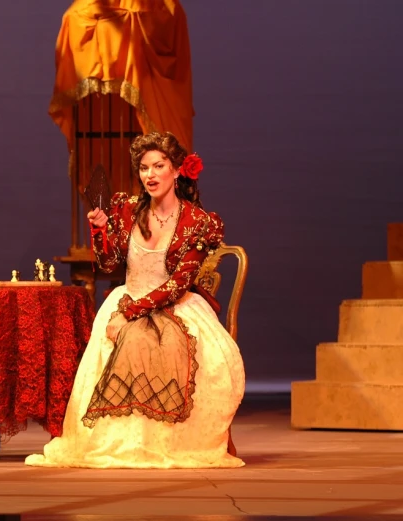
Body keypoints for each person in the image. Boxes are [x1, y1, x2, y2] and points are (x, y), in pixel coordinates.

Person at [25, 132, 245, 469]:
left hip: (176, 305)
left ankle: (162, 441)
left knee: (150, 340)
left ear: (176, 171)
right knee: (127, 338)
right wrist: (100, 230)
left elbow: (177, 284)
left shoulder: (197, 222)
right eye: (144, 168)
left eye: (159, 166)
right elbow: (111, 265)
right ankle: (120, 443)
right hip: (129, 295)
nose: (151, 175)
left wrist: (127, 314)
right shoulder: (127, 209)